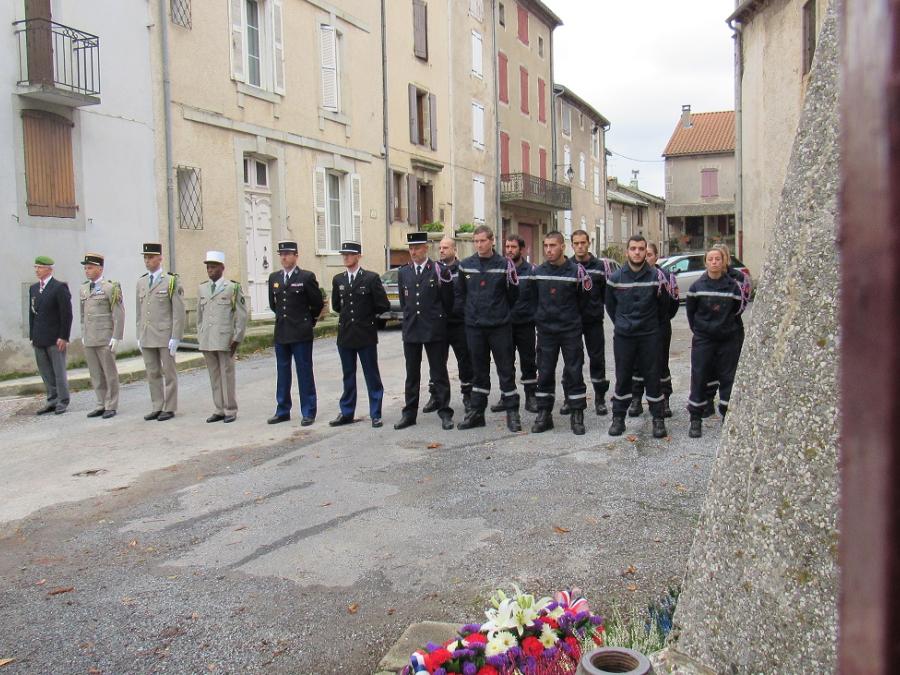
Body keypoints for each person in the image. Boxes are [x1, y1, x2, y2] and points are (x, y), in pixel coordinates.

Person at [453, 225, 521, 431]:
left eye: (483, 241)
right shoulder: (465, 265)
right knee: (478, 371)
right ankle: (477, 413)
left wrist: (501, 312)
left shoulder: (505, 265)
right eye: (476, 241)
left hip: (499, 327)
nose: (479, 245)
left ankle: (512, 412)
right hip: (475, 327)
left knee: (505, 370)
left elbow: (513, 294)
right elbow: (460, 294)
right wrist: (469, 314)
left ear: (492, 241)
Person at [604, 235, 668, 439]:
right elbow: (610, 306)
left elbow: (664, 308)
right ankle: (618, 419)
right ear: (627, 252)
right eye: (633, 248)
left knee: (653, 377)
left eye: (641, 249)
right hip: (625, 336)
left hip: (649, 335)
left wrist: (651, 326)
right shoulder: (615, 278)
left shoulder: (656, 277)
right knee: (623, 377)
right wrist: (623, 324)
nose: (638, 252)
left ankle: (658, 419)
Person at [394, 232, 455, 431]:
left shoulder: (439, 270)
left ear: (426, 248)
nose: (413, 252)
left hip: (433, 328)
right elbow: (404, 302)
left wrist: (438, 319)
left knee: (439, 373)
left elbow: (447, 301)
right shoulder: (404, 272)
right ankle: (409, 414)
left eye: (417, 248)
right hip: (412, 328)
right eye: (411, 248)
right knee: (412, 374)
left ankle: (445, 411)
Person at [530, 232, 590, 435]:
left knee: (574, 372)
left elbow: (585, 302)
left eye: (553, 245)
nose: (548, 250)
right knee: (544, 372)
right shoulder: (538, 272)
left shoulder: (576, 272)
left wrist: (574, 321)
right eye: (546, 245)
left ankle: (577, 414)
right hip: (546, 332)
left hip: (570, 331)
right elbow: (532, 299)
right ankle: (544, 414)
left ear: (563, 247)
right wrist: (540, 318)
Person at [686, 247, 746, 438]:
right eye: (710, 259)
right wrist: (702, 330)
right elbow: (691, 313)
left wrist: (725, 328)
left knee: (728, 377)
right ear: (705, 262)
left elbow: (738, 309)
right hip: (704, 339)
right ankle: (696, 419)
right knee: (699, 376)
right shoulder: (696, 287)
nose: (714, 262)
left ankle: (727, 417)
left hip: (727, 339)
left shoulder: (733, 287)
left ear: (723, 261)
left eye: (717, 259)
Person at [330, 241, 391, 428]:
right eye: (344, 254)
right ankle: (347, 412)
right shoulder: (338, 279)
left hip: (365, 334)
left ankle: (375, 413)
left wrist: (367, 317)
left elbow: (383, 305)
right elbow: (337, 305)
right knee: (348, 375)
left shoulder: (370, 278)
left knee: (371, 375)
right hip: (346, 334)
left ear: (358, 256)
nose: (346, 257)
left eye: (349, 254)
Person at [267, 240, 323, 426]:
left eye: (287, 254)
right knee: (283, 373)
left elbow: (317, 303)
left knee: (304, 372)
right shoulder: (274, 278)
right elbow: (274, 305)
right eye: (281, 254)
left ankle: (308, 410)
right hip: (282, 331)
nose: (284, 257)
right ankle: (282, 409)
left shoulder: (306, 277)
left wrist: (309, 321)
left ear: (296, 256)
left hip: (300, 332)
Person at [422, 237, 474, 413]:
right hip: (439, 324)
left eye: (445, 247)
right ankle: (436, 396)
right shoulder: (433, 269)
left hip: (459, 323)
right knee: (437, 362)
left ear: (454, 249)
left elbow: (468, 294)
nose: (442, 250)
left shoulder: (463, 269)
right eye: (440, 248)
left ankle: (468, 395)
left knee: (465, 361)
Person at [197, 251, 249, 424]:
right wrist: (200, 335)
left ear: (222, 268)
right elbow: (199, 316)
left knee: (227, 374)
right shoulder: (202, 288)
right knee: (214, 375)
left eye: (213, 267)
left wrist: (237, 337)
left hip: (225, 338)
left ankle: (230, 409)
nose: (210, 270)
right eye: (208, 267)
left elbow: (241, 315)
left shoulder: (232, 288)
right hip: (207, 338)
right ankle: (218, 409)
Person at [629, 243, 679, 418]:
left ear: (656, 257)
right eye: (644, 254)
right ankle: (636, 399)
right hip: (637, 327)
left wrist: (661, 320)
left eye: (649, 254)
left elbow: (673, 304)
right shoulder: (631, 276)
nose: (645, 257)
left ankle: (664, 399)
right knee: (636, 364)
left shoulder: (666, 277)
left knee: (661, 364)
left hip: (659, 327)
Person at [137, 243, 185, 421]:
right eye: (145, 258)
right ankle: (157, 405)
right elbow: (139, 312)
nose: (147, 261)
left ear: (160, 258)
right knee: (152, 372)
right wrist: (138, 334)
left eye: (150, 257)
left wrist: (176, 336)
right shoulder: (141, 282)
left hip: (165, 335)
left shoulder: (171, 281)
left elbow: (178, 312)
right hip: (147, 334)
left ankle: (170, 407)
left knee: (169, 372)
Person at [489, 234, 537, 414]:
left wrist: (533, 315)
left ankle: (531, 396)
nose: (509, 250)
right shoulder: (499, 268)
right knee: (505, 362)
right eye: (507, 246)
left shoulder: (531, 271)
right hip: (504, 325)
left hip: (525, 324)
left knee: (528, 361)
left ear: (521, 249)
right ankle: (506, 396)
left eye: (513, 247)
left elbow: (537, 297)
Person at [701, 243, 750, 417]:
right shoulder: (705, 278)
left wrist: (724, 317)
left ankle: (728, 406)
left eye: (720, 257)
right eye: (713, 258)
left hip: (731, 328)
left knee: (729, 369)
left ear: (726, 258)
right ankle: (708, 401)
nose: (716, 261)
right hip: (710, 330)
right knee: (709, 367)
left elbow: (742, 302)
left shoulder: (738, 277)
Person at [568, 229, 610, 416]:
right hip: (572, 323)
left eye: (582, 243)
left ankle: (600, 399)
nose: (580, 246)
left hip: (593, 321)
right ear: (572, 245)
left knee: (597, 359)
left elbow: (608, 295)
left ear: (588, 243)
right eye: (576, 243)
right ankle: (571, 398)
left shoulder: (600, 266)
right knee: (572, 361)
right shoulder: (567, 266)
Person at [79, 254, 124, 419]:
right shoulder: (84, 288)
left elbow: (118, 314)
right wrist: (83, 333)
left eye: (90, 267)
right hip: (90, 337)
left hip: (105, 337)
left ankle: (111, 404)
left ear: (100, 268)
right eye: (85, 268)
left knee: (109, 373)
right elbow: (83, 315)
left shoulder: (110, 288)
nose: (87, 271)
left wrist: (116, 337)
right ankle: (101, 403)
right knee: (95, 374)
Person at [29, 255, 72, 415]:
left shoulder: (59, 287)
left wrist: (64, 336)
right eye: (35, 267)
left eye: (40, 267)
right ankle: (52, 399)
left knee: (58, 371)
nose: (37, 270)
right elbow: (32, 314)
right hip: (39, 337)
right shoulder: (34, 288)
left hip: (55, 338)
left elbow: (66, 314)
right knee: (45, 372)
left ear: (49, 269)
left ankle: (62, 400)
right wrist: (32, 335)